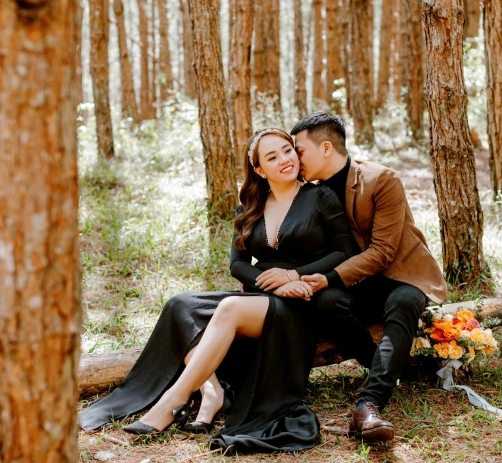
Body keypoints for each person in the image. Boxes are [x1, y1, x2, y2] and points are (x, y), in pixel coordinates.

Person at [78, 128, 360, 455]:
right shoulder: (250, 207)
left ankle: (174, 401)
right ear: (258, 169)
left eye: (287, 150)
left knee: (227, 308)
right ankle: (211, 391)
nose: (285, 160)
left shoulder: (319, 196)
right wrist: (268, 280)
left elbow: (345, 252)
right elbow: (238, 265)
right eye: (272, 156)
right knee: (180, 305)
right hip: (263, 296)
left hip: (302, 301)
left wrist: (294, 276)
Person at [289, 111, 448, 442]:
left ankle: (368, 405)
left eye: (299, 150)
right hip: (358, 283)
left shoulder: (381, 179)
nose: (294, 157)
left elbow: (383, 253)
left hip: (402, 275)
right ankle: (392, 367)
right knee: (327, 301)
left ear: (327, 147)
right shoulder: (308, 191)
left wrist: (329, 276)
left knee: (403, 303)